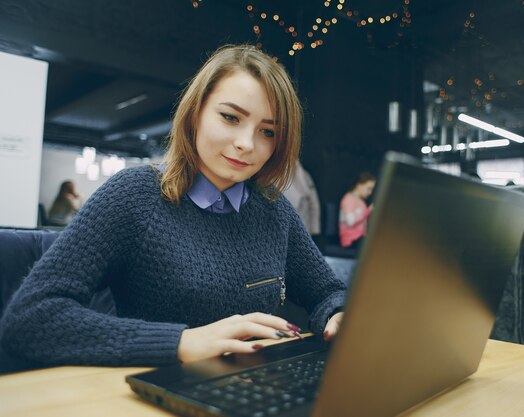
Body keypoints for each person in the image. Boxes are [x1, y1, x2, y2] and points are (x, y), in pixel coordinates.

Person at [0, 45, 346, 367]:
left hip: (250, 386)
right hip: (151, 389)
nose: (246, 144)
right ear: (195, 113)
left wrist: (337, 313)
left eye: (268, 132)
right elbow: (30, 317)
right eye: (230, 117)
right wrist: (179, 341)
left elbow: (327, 291)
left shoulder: (275, 210)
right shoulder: (134, 195)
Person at [282, 160, 321, 236]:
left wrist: (315, 228)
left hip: (304, 224)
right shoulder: (275, 178)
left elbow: (314, 203)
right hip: (284, 226)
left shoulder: (305, 176)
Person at [339, 172, 376, 248]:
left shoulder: (361, 201)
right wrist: (368, 211)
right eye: (368, 189)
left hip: (359, 239)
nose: (370, 192)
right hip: (350, 241)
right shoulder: (348, 199)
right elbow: (350, 222)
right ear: (359, 184)